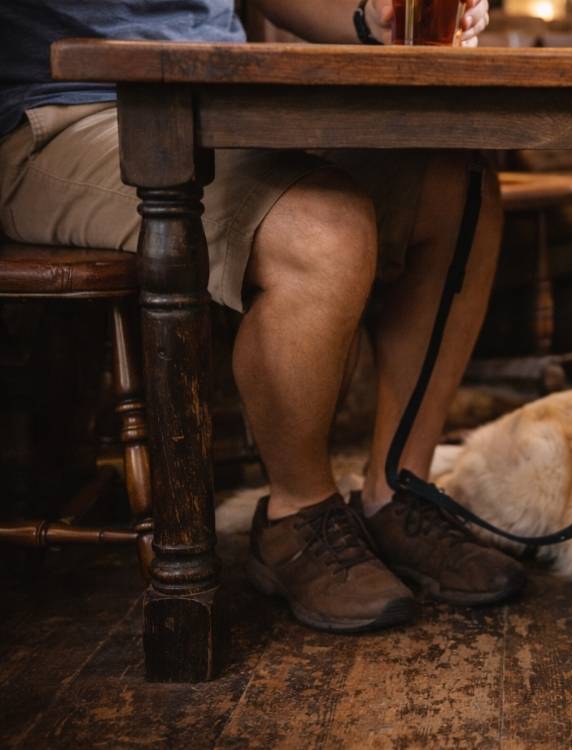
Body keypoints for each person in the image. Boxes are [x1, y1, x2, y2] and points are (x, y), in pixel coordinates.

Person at [0, 0, 526, 633]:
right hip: (60, 113)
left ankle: (397, 489)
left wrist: (373, 20)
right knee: (323, 231)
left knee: (456, 185)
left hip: (222, 103)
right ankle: (295, 518)